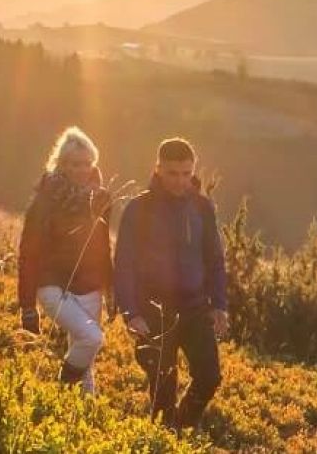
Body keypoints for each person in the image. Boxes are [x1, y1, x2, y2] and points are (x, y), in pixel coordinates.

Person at [114, 138, 231, 430]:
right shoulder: (137, 210)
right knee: (163, 389)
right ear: (158, 169)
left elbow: (215, 259)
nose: (180, 181)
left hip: (195, 309)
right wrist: (131, 312)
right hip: (153, 311)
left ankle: (177, 426)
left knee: (209, 377)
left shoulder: (203, 208)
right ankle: (165, 435)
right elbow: (124, 265)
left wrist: (218, 304)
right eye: (172, 173)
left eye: (186, 173)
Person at [17, 127, 115, 394]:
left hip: (89, 286)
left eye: (87, 164)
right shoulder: (45, 200)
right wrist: (27, 306)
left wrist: (110, 287)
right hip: (53, 286)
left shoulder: (100, 199)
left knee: (85, 358)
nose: (82, 170)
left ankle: (82, 413)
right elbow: (28, 252)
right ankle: (62, 385)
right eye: (74, 164)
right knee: (92, 338)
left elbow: (102, 247)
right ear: (61, 164)